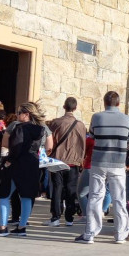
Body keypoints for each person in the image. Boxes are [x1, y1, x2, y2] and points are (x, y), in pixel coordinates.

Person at [0, 102, 52, 237]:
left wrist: (8, 161)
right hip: (32, 163)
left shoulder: (19, 128)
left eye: (19, 113)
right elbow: (47, 146)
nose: (16, 115)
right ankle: (22, 227)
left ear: (26, 114)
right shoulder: (40, 129)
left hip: (17, 165)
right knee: (26, 196)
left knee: (4, 195)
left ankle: (3, 226)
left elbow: (15, 147)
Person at [77, 92, 129, 244]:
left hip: (99, 162)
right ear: (119, 103)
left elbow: (92, 136)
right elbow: (128, 137)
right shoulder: (127, 119)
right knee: (119, 198)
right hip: (118, 163)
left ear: (104, 102)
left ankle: (90, 233)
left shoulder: (97, 117)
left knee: (95, 197)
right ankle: (120, 234)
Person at [46, 97, 86, 227]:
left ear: (64, 107)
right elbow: (83, 145)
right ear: (75, 108)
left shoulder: (56, 123)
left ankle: (56, 217)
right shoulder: (81, 125)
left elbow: (50, 142)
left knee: (57, 188)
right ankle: (69, 218)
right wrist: (81, 160)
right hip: (73, 161)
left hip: (58, 159)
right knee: (71, 189)